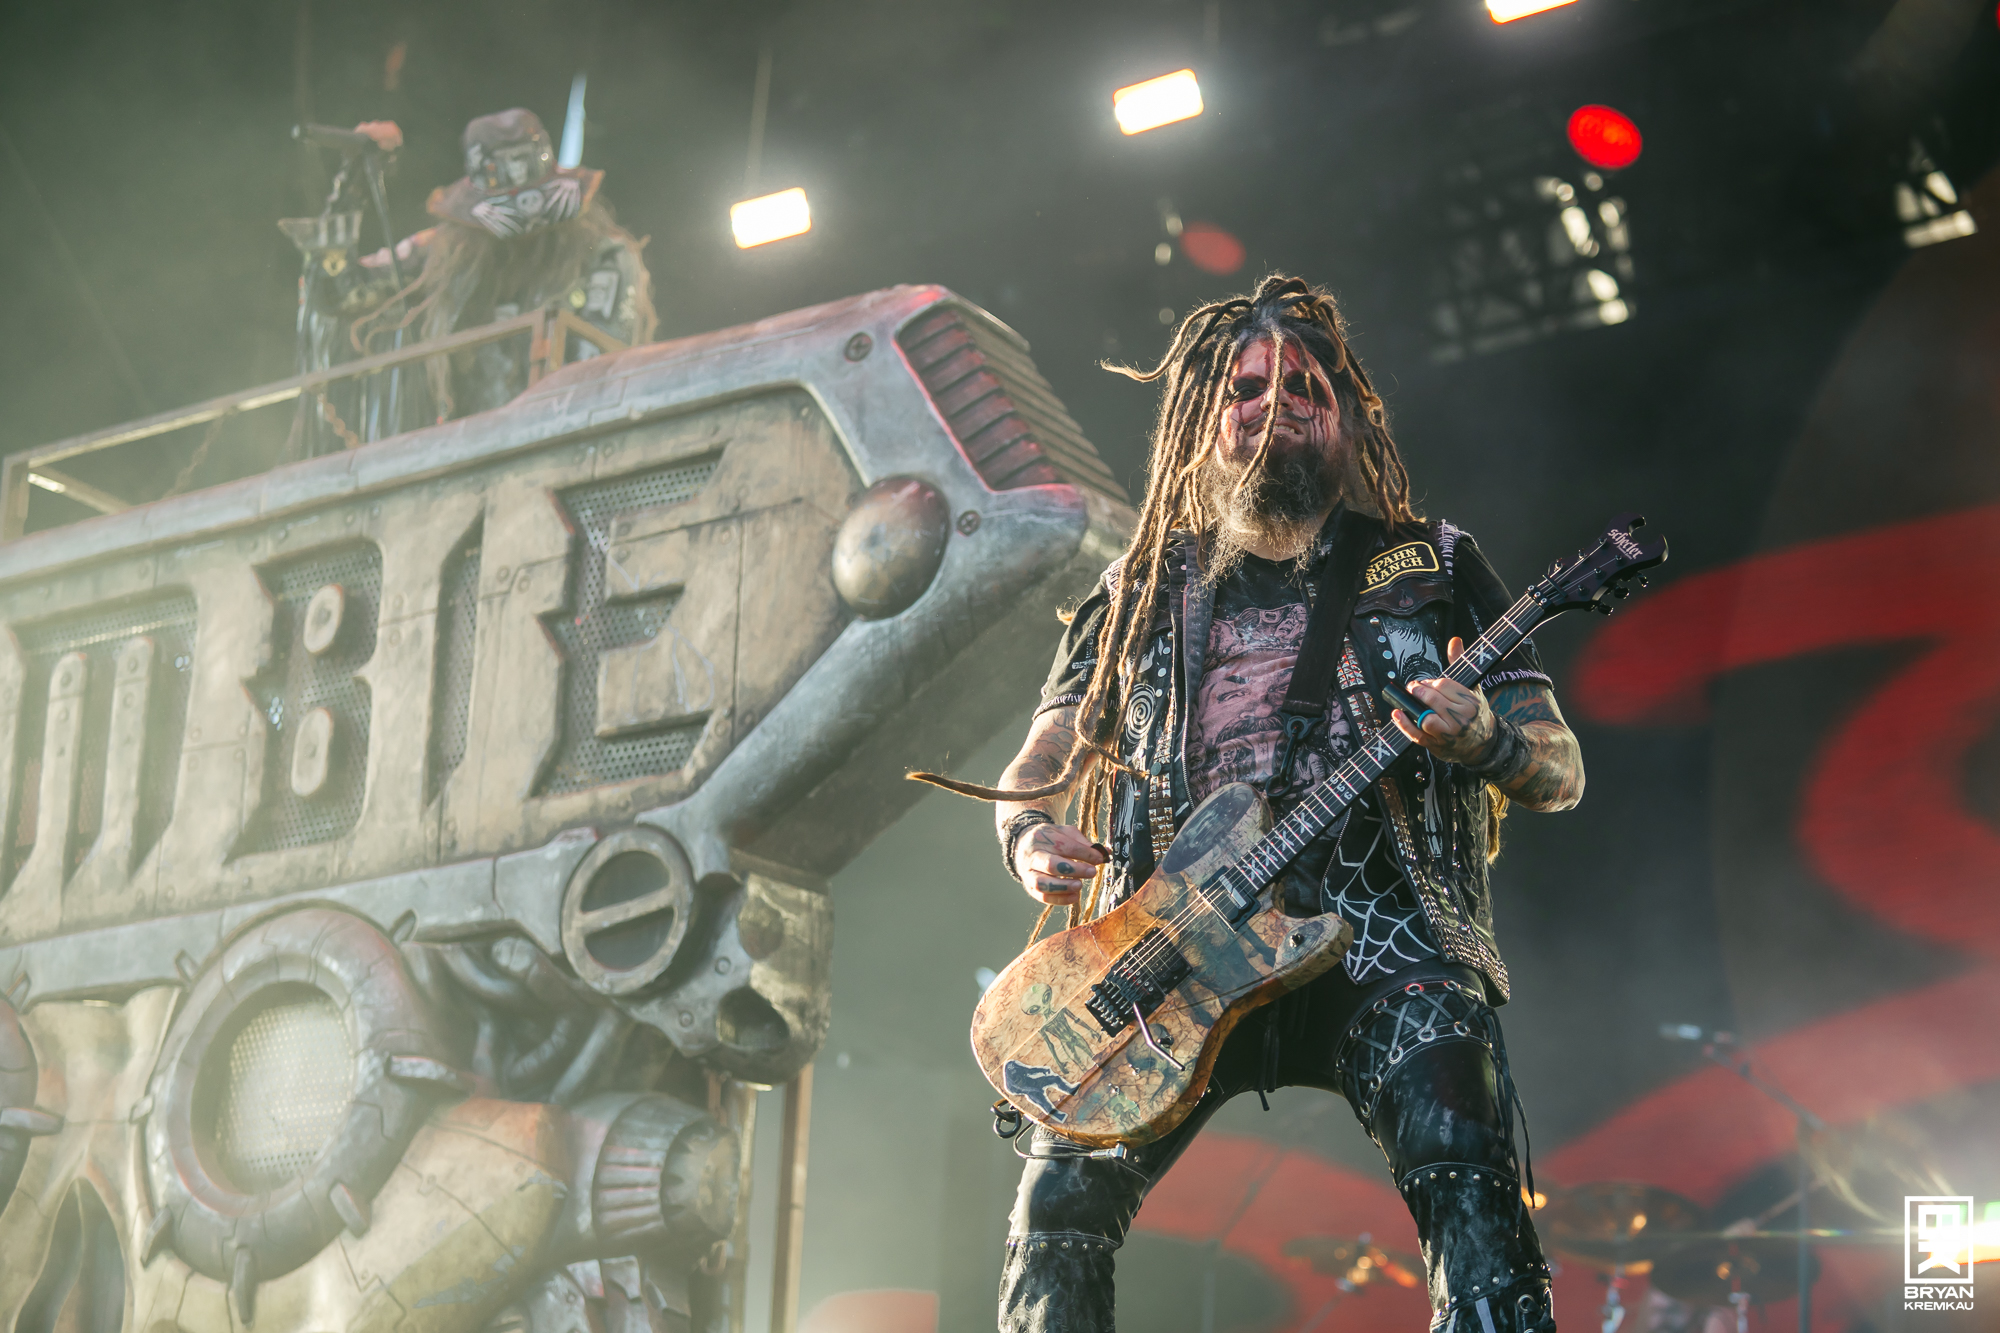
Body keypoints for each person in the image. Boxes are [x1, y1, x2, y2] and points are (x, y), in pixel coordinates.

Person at [984, 275, 1585, 1332]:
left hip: (1386, 935)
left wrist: (1482, 736)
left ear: (1349, 417)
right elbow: (1042, 755)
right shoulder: (1137, 588)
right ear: (1204, 421)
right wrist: (1029, 834)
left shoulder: (1433, 565)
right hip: (1166, 950)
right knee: (1056, 1216)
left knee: (1464, 1160)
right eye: (1248, 387)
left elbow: (1558, 768)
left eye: (1307, 386)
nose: (1278, 404)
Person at [283, 108, 655, 455]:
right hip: (472, 456)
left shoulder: (605, 255)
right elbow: (335, 292)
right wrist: (353, 182)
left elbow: (606, 372)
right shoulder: (446, 254)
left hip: (575, 449)